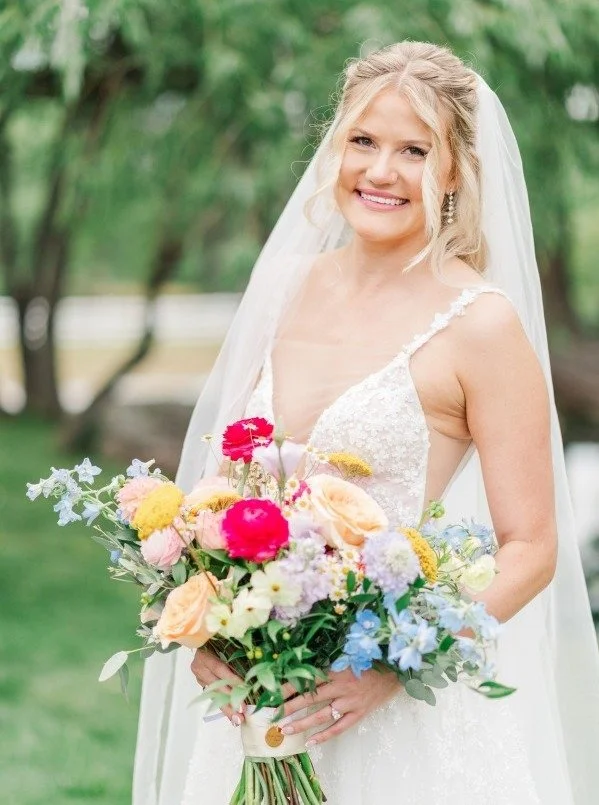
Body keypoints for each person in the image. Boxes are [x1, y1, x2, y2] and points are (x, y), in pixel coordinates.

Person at [133, 42, 599, 804]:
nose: (380, 171)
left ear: (453, 172)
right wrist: (207, 622)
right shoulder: (284, 285)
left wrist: (389, 665)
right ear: (334, 147)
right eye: (362, 141)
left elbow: (531, 548)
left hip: (399, 718)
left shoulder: (479, 325)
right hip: (262, 694)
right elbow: (226, 488)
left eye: (414, 150)